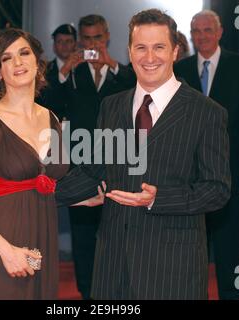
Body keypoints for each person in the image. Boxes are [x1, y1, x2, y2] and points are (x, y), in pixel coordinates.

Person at [56, 8, 231, 300]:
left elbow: (217, 190)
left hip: (173, 268)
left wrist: (158, 198)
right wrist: (36, 193)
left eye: (159, 47)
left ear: (175, 50)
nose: (149, 58)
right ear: (129, 51)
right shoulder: (111, 107)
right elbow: (93, 171)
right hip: (112, 266)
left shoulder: (206, 112)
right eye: (141, 48)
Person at [0, 28, 71, 300]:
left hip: (44, 235)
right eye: (7, 58)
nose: (18, 63)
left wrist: (82, 197)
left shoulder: (52, 118)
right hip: (2, 238)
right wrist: (6, 251)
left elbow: (46, 182)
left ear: (37, 62)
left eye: (24, 53)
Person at [174, 10, 239, 300]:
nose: (201, 36)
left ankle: (230, 295)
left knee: (228, 240)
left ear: (220, 32)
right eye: (196, 31)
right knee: (192, 240)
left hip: (230, 167)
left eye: (207, 30)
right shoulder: (181, 68)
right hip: (189, 171)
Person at [58, 14, 136, 299]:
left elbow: (140, 91)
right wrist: (65, 69)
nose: (93, 44)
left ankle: (114, 290)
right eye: (87, 39)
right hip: (80, 165)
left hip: (118, 165)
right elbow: (49, 104)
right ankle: (88, 293)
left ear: (107, 38)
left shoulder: (122, 73)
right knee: (82, 235)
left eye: (98, 38)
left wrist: (112, 64)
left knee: (117, 232)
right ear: (80, 41)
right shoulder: (71, 75)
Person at [37, 24, 78, 120]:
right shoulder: (44, 70)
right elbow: (44, 99)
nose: (64, 45)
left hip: (80, 129)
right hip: (52, 125)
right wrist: (63, 72)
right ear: (54, 46)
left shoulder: (84, 68)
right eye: (60, 41)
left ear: (75, 44)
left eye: (69, 41)